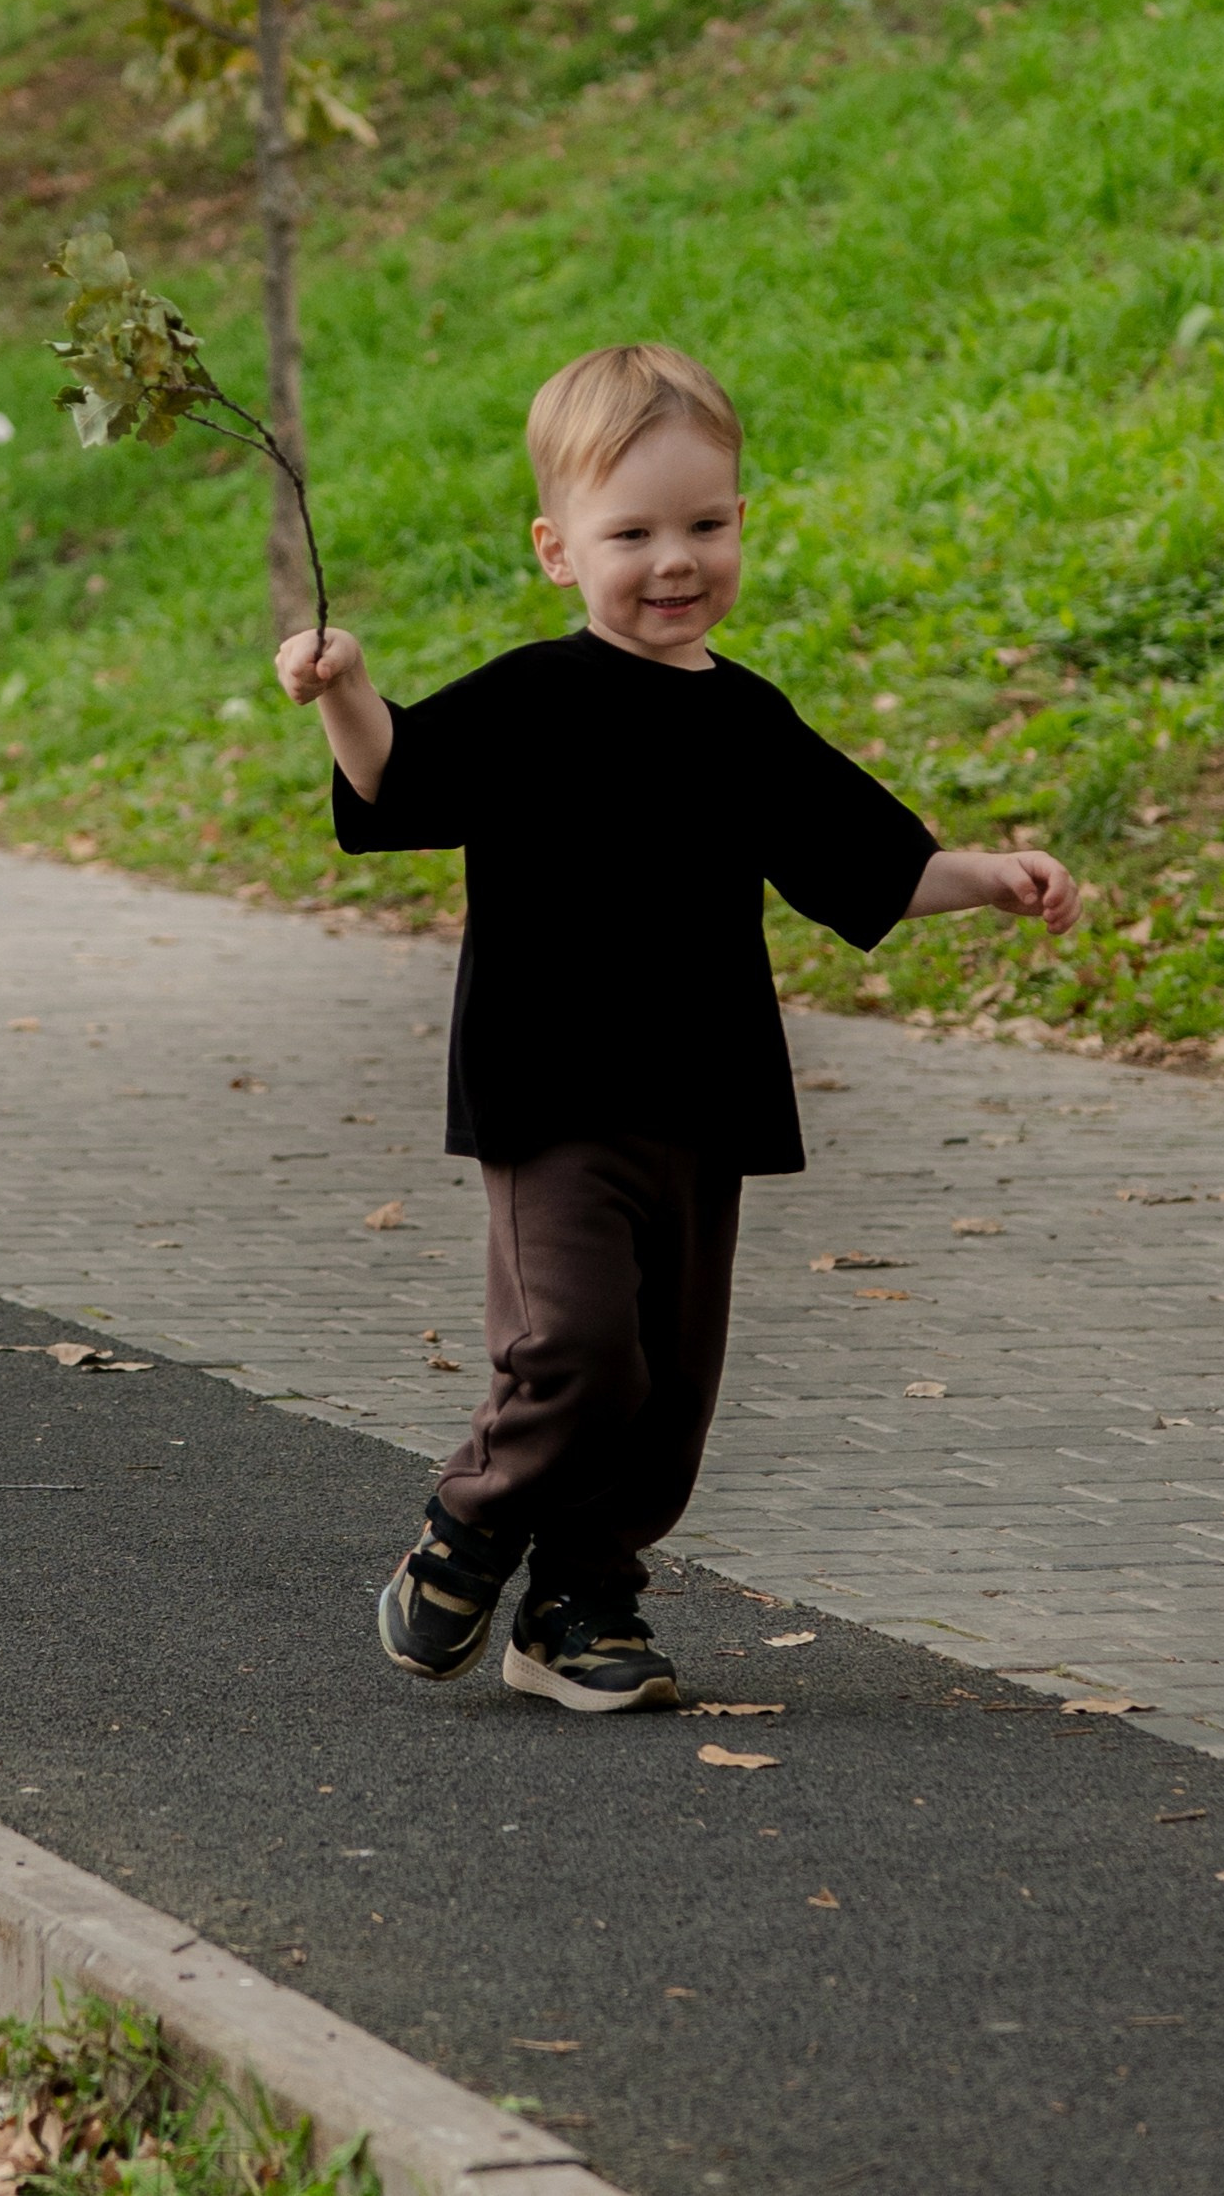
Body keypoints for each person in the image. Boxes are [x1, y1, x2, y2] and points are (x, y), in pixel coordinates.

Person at [274, 341, 1079, 1716]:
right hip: (552, 1094)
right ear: (555, 546)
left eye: (702, 524)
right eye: (630, 530)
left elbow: (862, 857)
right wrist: (343, 686)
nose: (671, 559)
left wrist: (984, 878)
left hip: (701, 1099)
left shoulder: (746, 722)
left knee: (665, 1392)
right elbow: (397, 777)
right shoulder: (535, 696)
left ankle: (579, 1601)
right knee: (578, 1346)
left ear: (738, 525)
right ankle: (468, 1524)